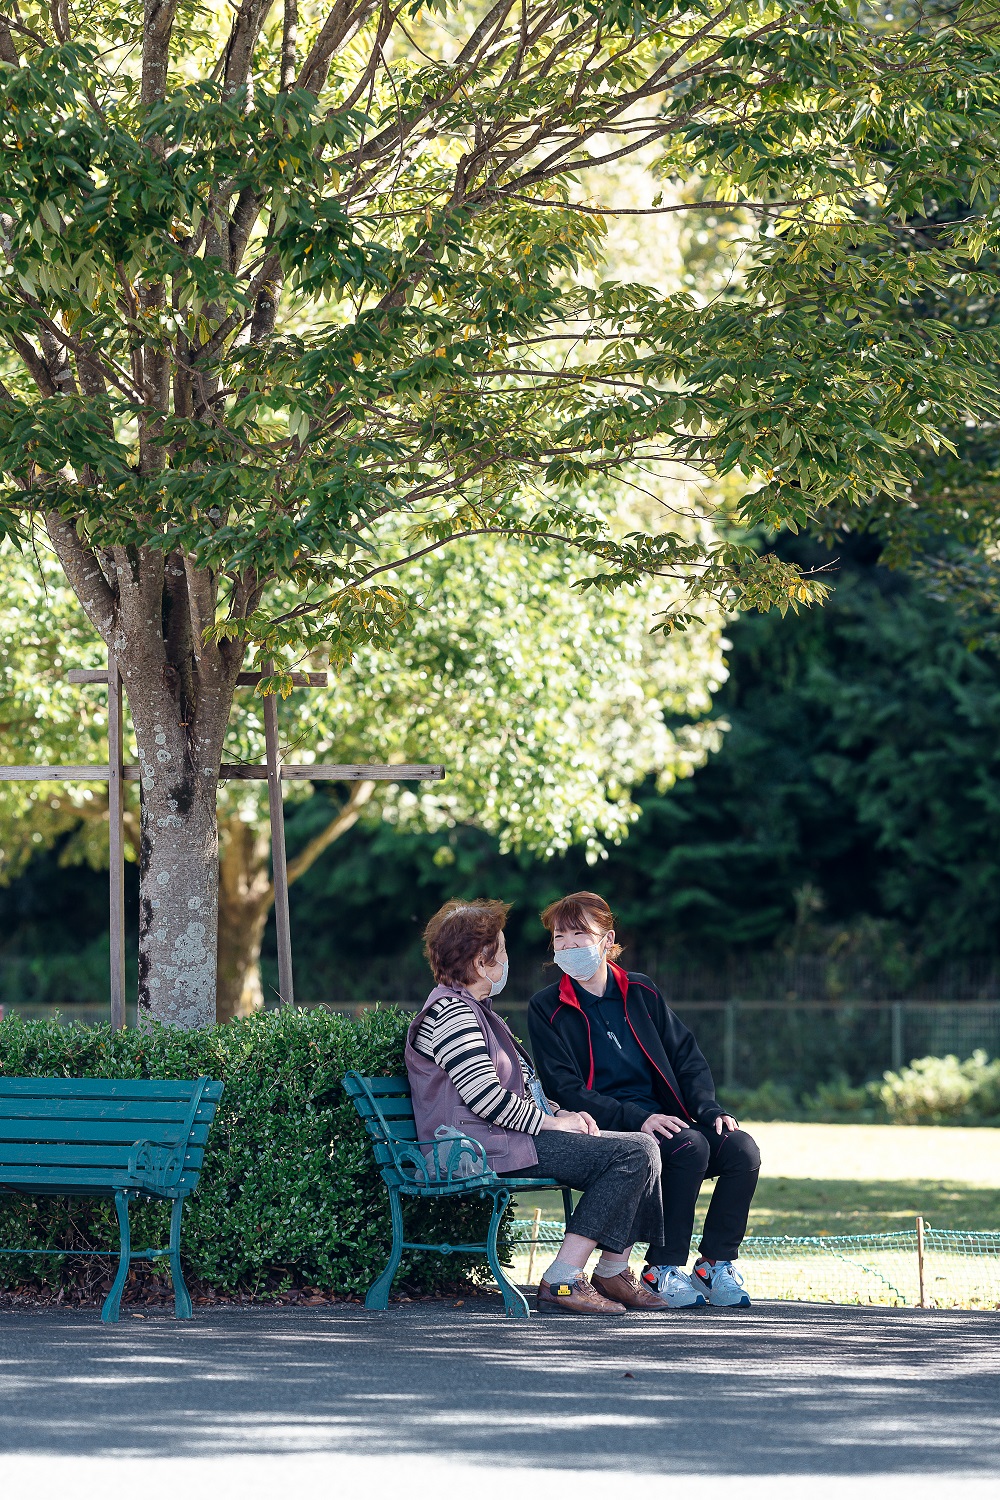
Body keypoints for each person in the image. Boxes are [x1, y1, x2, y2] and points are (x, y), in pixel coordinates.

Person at [405, 898, 670, 1316]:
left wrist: (559, 1113)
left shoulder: (475, 1011)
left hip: (502, 1141)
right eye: (503, 952)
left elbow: (515, 1088)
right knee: (632, 1153)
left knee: (644, 1146)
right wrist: (552, 1125)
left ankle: (613, 1270)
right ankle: (562, 1281)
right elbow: (486, 1100)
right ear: (480, 963)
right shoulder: (451, 1015)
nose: (508, 961)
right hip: (475, 1149)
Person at [527, 891, 760, 1309]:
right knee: (690, 1147)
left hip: (665, 1114)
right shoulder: (547, 1007)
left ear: (606, 938)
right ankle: (662, 1268)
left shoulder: (640, 991)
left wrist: (709, 1108)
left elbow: (686, 1056)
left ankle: (714, 1265)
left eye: (581, 935)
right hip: (606, 1122)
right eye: (560, 937)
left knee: (742, 1149)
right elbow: (565, 1089)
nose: (568, 945)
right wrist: (640, 1118)